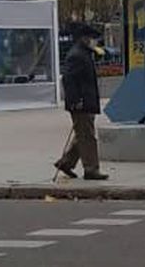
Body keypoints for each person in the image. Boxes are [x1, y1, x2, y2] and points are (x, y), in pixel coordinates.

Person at [54, 22, 108, 182]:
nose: (95, 42)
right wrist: (76, 100)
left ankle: (66, 162)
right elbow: (68, 80)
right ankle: (91, 169)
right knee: (87, 137)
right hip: (81, 103)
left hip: (86, 101)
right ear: (85, 39)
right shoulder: (77, 55)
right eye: (93, 38)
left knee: (82, 134)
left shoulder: (84, 53)